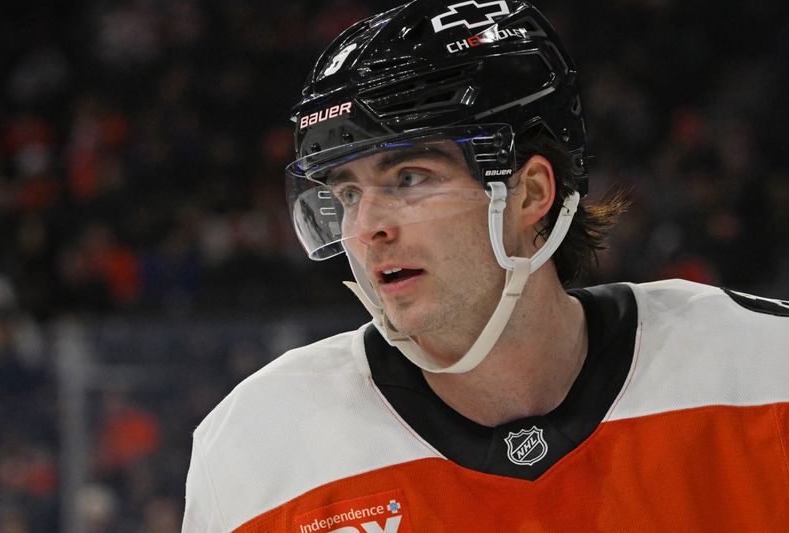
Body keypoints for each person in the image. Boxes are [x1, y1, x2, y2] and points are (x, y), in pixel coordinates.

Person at [182, 1, 789, 531]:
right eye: (346, 195)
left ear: (529, 194)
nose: (367, 228)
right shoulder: (257, 450)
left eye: (408, 178)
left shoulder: (765, 373)